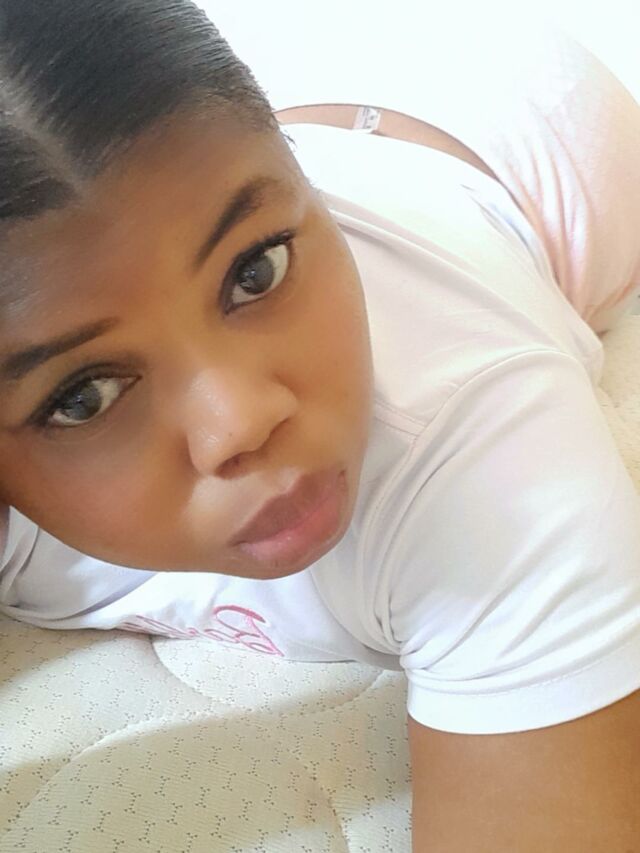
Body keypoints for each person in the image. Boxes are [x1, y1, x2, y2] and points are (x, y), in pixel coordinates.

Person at [0, 1, 639, 848]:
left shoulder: (488, 455)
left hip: (521, 111)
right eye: (85, 395)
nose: (242, 419)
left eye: (255, 271)